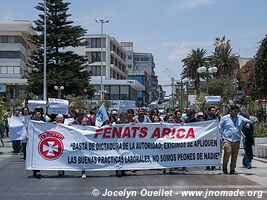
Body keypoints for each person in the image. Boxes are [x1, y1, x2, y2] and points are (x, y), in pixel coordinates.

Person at [219, 105, 252, 175]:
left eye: (237, 111)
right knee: (227, 153)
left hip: (236, 140)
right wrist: (222, 136)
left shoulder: (240, 117)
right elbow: (219, 127)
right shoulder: (225, 118)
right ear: (231, 111)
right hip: (227, 139)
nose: (236, 113)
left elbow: (249, 121)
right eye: (235, 111)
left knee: (235, 155)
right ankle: (224, 167)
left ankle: (232, 169)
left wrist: (247, 123)